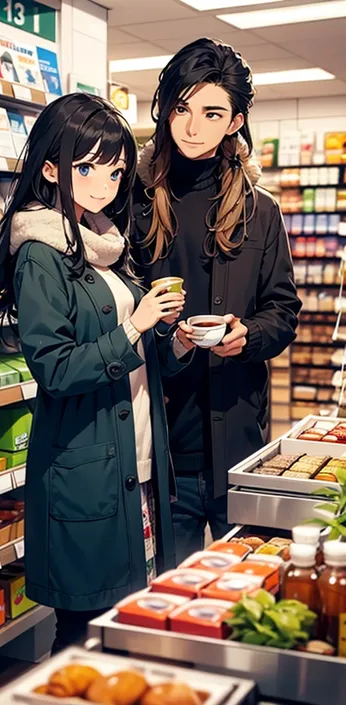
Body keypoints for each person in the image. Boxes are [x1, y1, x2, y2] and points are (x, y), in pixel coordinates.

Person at [0, 93, 191, 652]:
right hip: (88, 465)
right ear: (51, 169)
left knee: (128, 621)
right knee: (85, 633)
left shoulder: (102, 241)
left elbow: (134, 351)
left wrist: (171, 335)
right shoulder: (40, 254)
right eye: (87, 167)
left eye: (116, 169)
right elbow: (53, 368)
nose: (104, 183)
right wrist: (133, 327)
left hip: (136, 458)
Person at [132, 38, 302, 565]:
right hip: (165, 444)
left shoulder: (261, 211)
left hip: (239, 439)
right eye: (181, 108)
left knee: (241, 586)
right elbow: (122, 310)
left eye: (211, 113)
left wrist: (247, 336)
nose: (191, 127)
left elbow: (283, 309)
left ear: (234, 121)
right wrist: (173, 340)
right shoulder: (134, 205)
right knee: (167, 599)